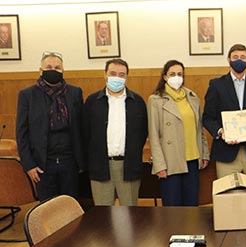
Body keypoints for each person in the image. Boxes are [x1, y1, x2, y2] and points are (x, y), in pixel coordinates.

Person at [16, 51, 85, 201]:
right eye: (49, 67)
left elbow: (81, 128)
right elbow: (21, 133)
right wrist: (29, 165)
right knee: (47, 210)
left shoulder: (75, 93)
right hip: (42, 165)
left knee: (71, 208)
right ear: (40, 71)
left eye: (57, 67)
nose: (53, 70)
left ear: (63, 71)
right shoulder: (27, 95)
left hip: (70, 162)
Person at [83, 58, 148, 206]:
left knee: (130, 215)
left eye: (121, 74)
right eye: (113, 73)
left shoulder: (137, 102)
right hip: (101, 166)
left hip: (128, 166)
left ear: (126, 77)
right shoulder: (92, 101)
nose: (117, 78)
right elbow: (86, 133)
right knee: (103, 217)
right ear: (105, 75)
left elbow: (142, 133)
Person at [203, 44, 246, 186]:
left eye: (242, 57)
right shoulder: (216, 85)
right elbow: (207, 118)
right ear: (228, 59)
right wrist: (221, 132)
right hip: (226, 152)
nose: (239, 60)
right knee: (227, 197)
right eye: (235, 57)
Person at [148, 60, 210, 206]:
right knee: (173, 208)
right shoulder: (156, 100)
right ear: (164, 77)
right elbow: (154, 136)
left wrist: (205, 153)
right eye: (172, 74)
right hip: (170, 162)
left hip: (193, 160)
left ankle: (192, 230)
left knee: (191, 206)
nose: (177, 77)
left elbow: (199, 128)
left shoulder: (192, 97)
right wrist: (159, 165)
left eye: (180, 74)